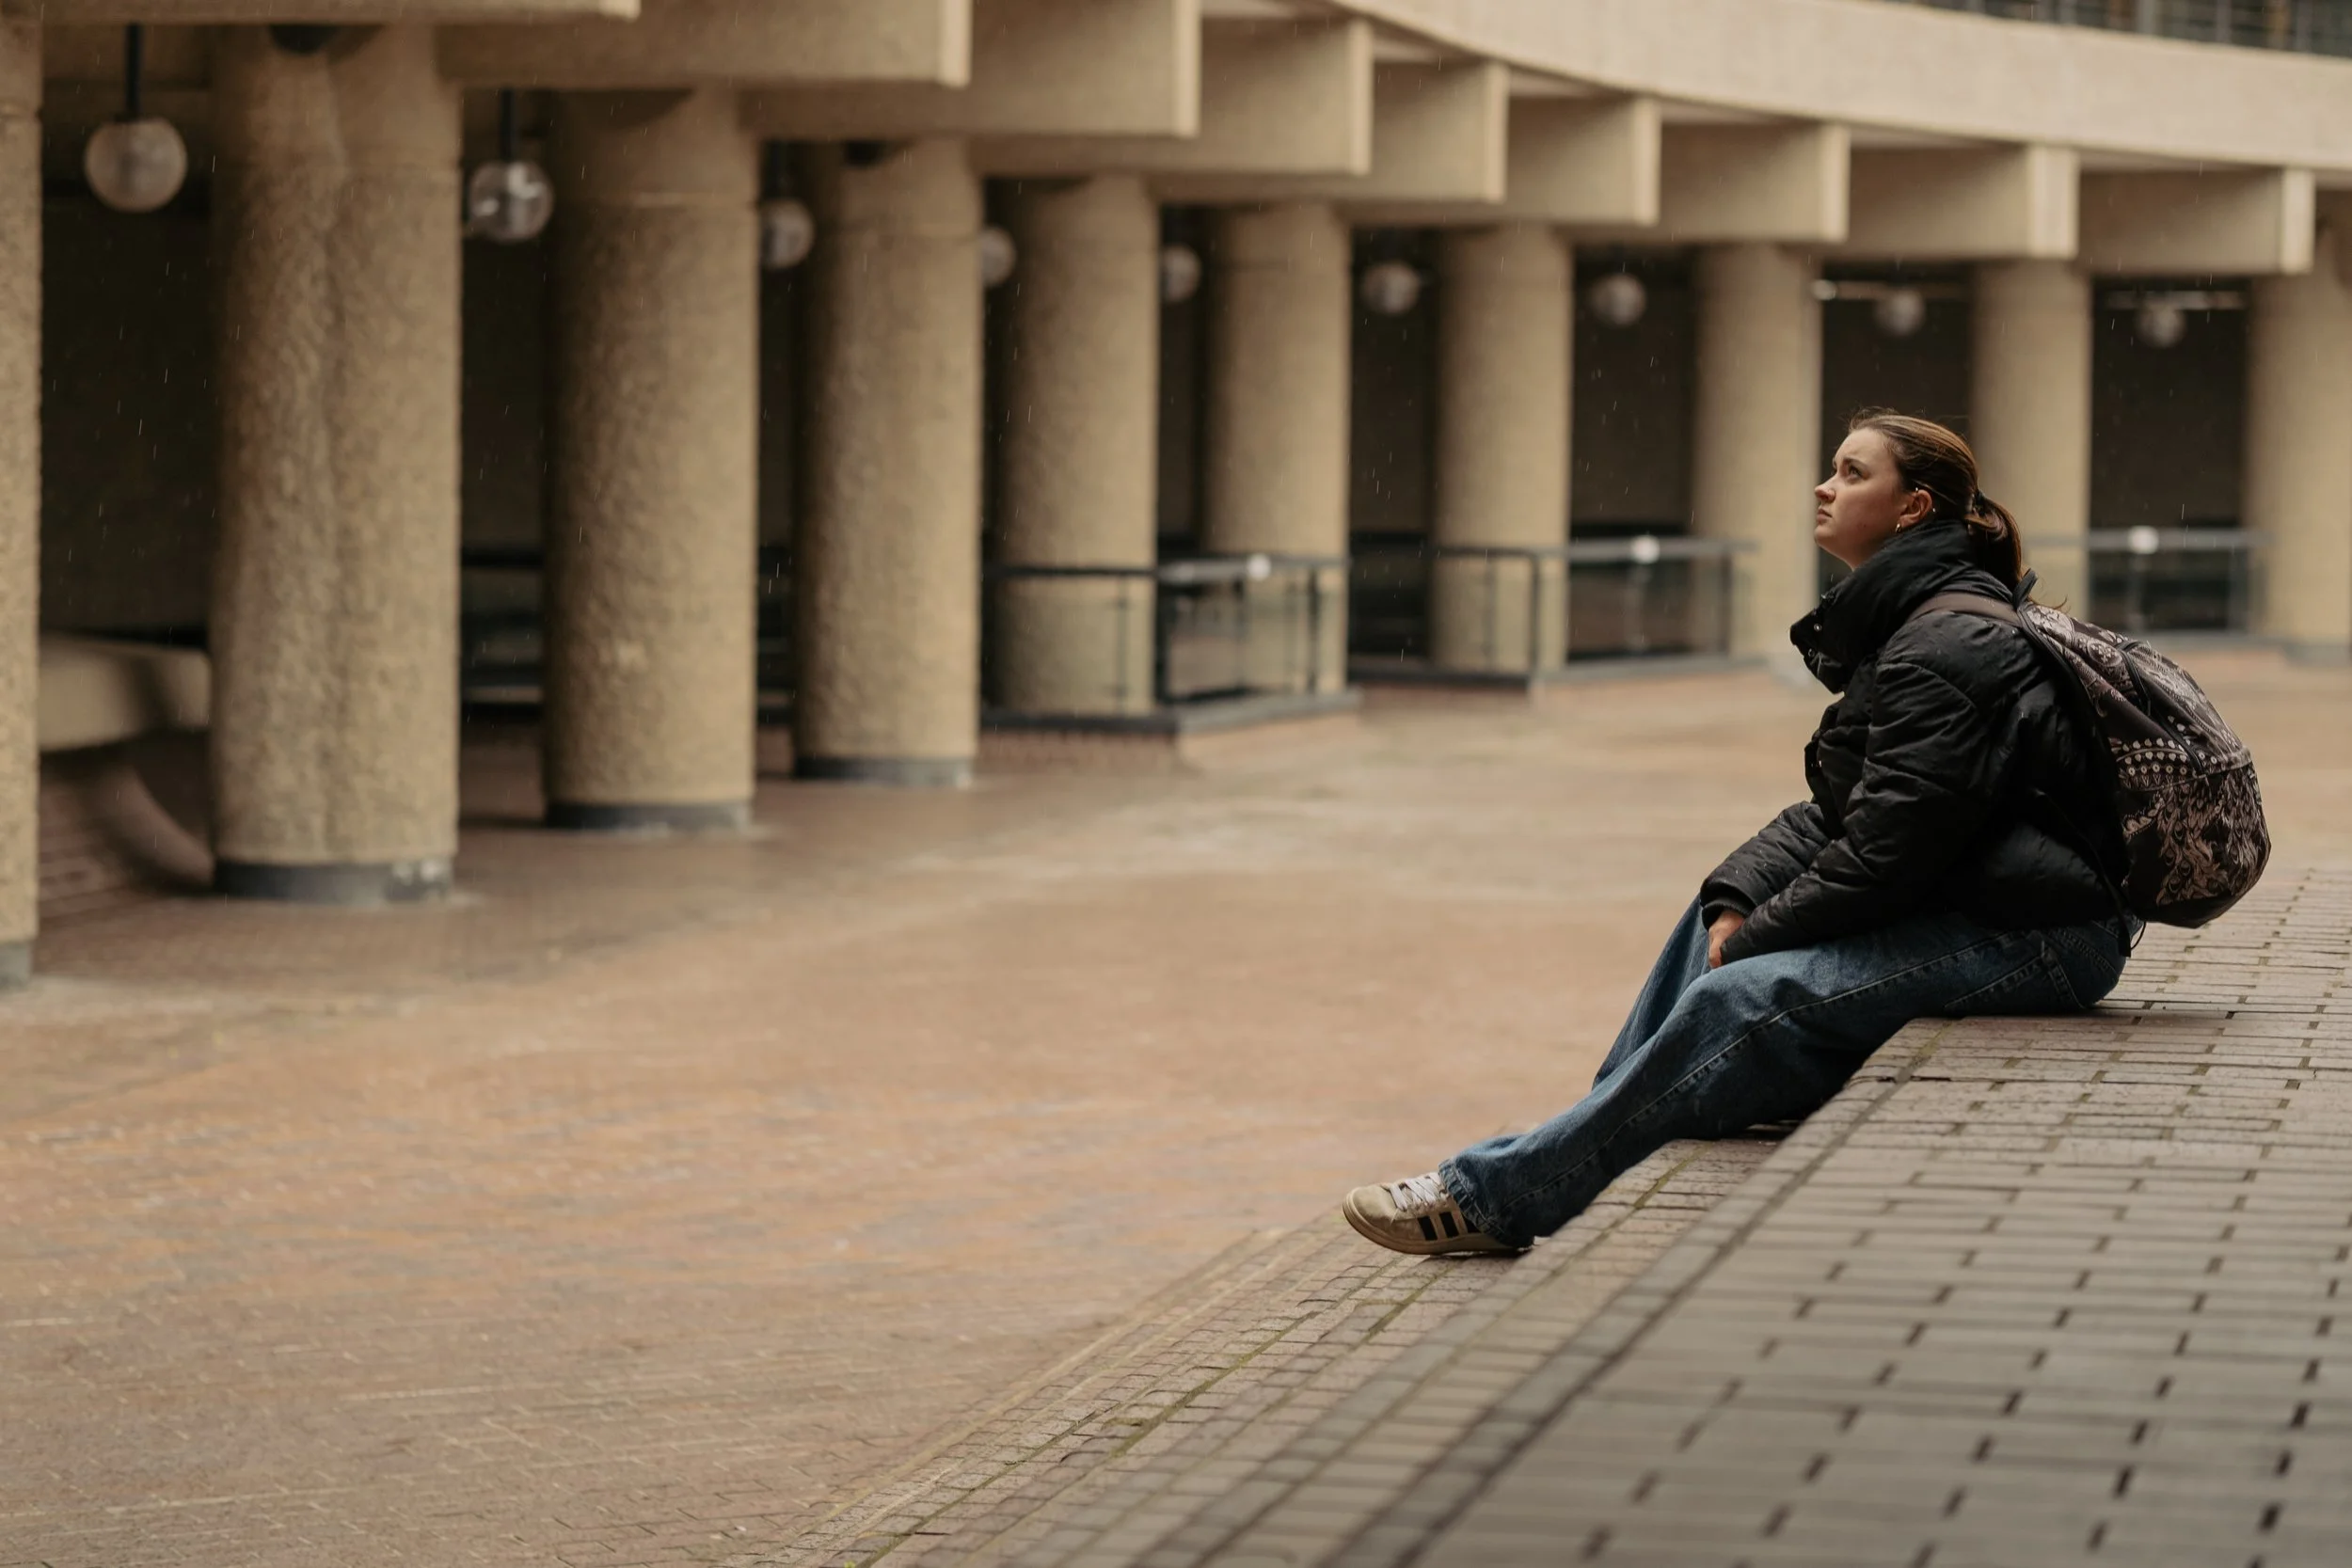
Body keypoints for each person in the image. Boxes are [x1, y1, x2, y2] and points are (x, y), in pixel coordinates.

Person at [1343, 411, 2132, 1257]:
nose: (1825, 487)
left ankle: (1499, 1194)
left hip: (2047, 936)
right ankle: (1590, 1135)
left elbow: (1886, 855)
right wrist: (1738, 897)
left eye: (1852, 472)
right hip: (1984, 899)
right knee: (1713, 913)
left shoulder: (1949, 641)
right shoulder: (1917, 621)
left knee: (1743, 994)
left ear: (1913, 508)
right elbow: (1847, 813)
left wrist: (1760, 935)